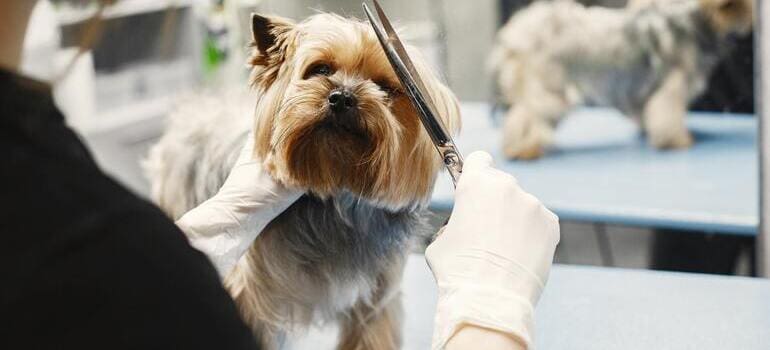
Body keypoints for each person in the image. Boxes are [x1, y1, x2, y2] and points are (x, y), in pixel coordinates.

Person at [0, 1, 559, 349]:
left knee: (374, 307)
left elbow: (374, 322)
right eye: (320, 71)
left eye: (385, 87)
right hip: (200, 163)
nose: (343, 94)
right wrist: (491, 311)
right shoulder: (102, 256)